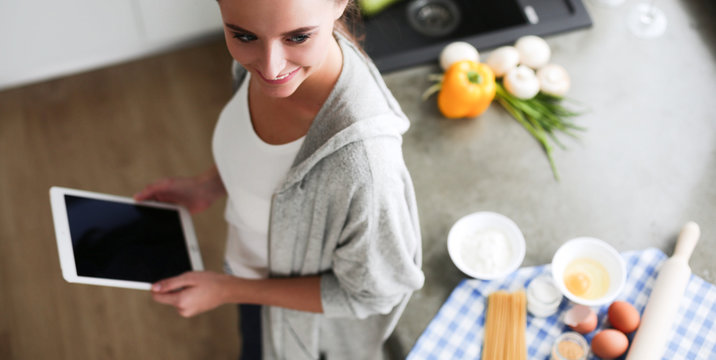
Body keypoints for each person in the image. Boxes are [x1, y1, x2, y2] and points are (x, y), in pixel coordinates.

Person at [134, 0, 424, 358]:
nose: (271, 67)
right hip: (246, 275)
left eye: (298, 37)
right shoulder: (258, 66)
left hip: (290, 327)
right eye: (243, 35)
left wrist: (229, 290)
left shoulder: (364, 165)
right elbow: (265, 159)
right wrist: (209, 184)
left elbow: (375, 293)